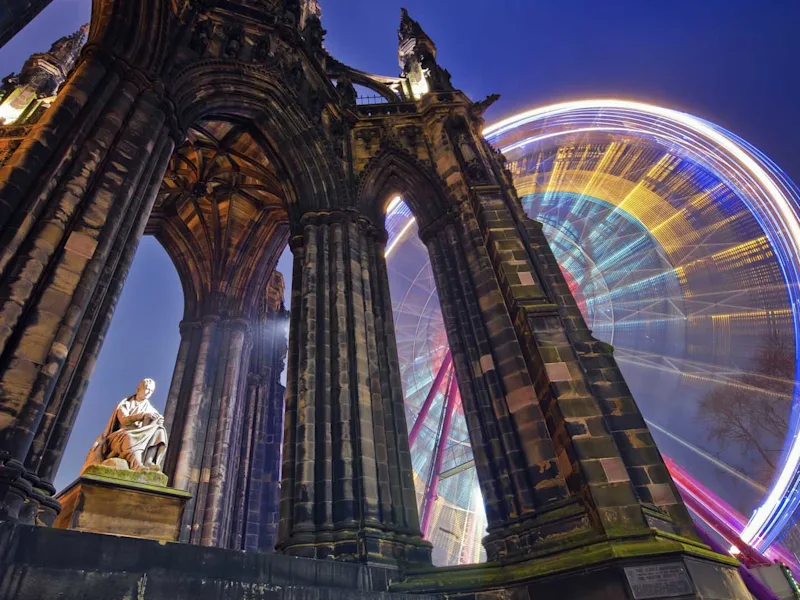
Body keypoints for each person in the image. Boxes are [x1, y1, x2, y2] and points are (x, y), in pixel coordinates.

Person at [82, 378, 168, 472]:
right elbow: (124, 420)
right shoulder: (125, 404)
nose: (148, 392)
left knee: (160, 430)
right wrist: (142, 415)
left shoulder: (151, 409)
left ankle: (148, 461)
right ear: (138, 389)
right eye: (147, 389)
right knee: (129, 437)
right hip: (120, 435)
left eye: (151, 391)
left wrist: (157, 421)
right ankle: (137, 465)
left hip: (141, 434)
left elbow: (149, 425)